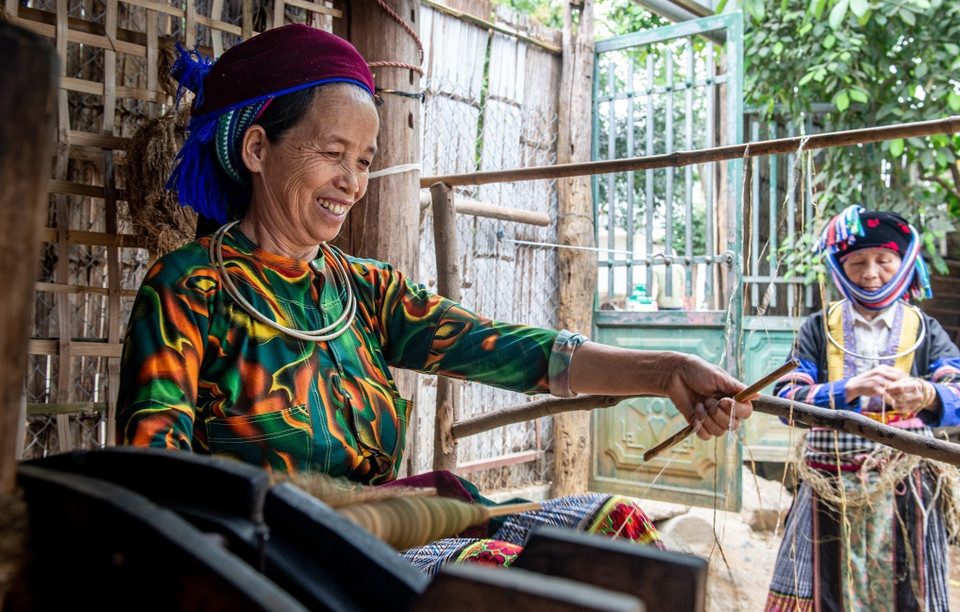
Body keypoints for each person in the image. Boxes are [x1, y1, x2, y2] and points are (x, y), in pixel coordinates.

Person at [116, 24, 754, 574]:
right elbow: (160, 479)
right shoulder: (187, 289)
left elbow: (504, 349)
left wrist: (666, 371)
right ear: (258, 148)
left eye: (365, 161)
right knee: (493, 580)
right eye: (334, 154)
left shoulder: (363, 289)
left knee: (617, 532)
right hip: (276, 562)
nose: (353, 182)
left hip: (386, 532)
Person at [765, 205, 960, 611]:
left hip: (907, 487)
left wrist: (926, 394)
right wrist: (848, 389)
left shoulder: (924, 329)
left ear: (903, 263)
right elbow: (785, 399)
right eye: (857, 262)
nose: (871, 274)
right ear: (840, 267)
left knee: (909, 591)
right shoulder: (819, 328)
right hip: (827, 484)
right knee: (825, 589)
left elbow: (956, 389)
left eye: (884, 261)